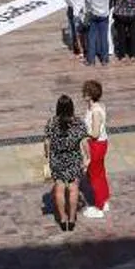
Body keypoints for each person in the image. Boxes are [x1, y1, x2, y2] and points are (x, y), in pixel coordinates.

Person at [44, 95, 89, 232]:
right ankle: (72, 219)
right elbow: (84, 142)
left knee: (59, 189)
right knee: (74, 189)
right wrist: (88, 157)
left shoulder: (51, 123)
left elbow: (47, 142)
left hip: (57, 159)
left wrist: (47, 156)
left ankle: (63, 220)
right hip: (74, 158)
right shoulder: (78, 123)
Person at [81, 80, 110, 219]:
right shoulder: (96, 106)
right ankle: (104, 200)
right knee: (100, 172)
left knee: (94, 176)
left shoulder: (96, 112)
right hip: (100, 144)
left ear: (89, 95)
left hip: (96, 145)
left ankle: (99, 207)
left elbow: (95, 133)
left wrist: (81, 132)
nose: (83, 94)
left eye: (85, 92)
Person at [83, 0, 116, 66]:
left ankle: (91, 60)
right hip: (104, 15)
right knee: (103, 37)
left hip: (93, 14)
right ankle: (105, 59)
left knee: (91, 37)